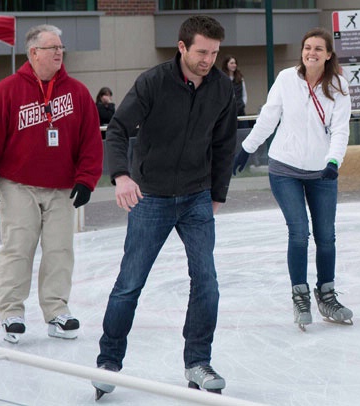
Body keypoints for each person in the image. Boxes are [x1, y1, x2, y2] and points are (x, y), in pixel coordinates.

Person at [92, 15, 237, 399]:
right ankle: (109, 361)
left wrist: (217, 193)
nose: (208, 59)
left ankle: (198, 362)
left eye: (214, 53)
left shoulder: (221, 89)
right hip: (151, 196)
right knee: (130, 282)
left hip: (196, 197)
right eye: (202, 52)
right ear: (182, 48)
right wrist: (122, 175)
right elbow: (119, 129)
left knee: (207, 282)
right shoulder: (153, 82)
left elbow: (224, 144)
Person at [0, 24, 104, 344]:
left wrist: (86, 179)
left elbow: (90, 141)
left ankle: (57, 310)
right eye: (52, 48)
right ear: (33, 53)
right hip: (18, 185)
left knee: (60, 249)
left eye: (61, 47)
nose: (59, 52)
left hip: (62, 187)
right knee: (19, 247)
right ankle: (11, 312)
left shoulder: (77, 92)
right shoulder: (8, 90)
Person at [233, 27, 353, 331]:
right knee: (299, 232)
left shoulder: (339, 85)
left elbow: (340, 128)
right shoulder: (287, 79)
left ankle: (326, 294)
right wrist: (246, 149)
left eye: (318, 49)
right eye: (307, 47)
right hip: (285, 168)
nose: (311, 53)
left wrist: (333, 161)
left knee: (326, 236)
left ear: (328, 55)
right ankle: (300, 296)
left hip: (323, 172)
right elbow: (268, 116)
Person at [221, 55, 248, 128]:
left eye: (235, 63)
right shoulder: (222, 79)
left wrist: (243, 104)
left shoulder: (240, 78)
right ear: (226, 64)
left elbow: (244, 94)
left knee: (243, 131)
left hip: (240, 111)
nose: (234, 65)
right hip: (228, 112)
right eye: (231, 63)